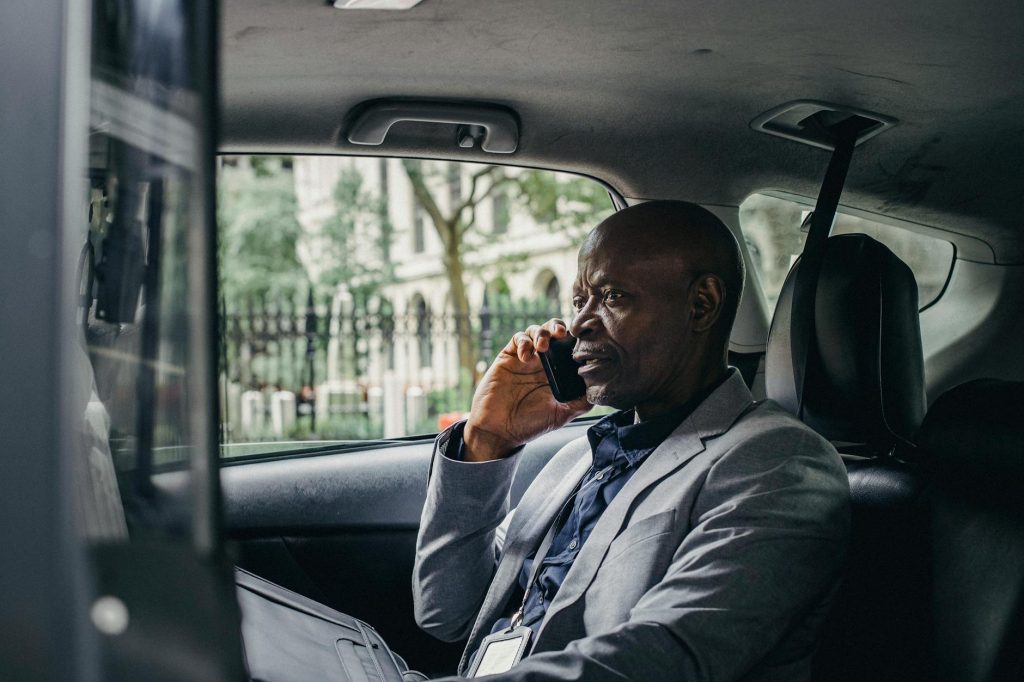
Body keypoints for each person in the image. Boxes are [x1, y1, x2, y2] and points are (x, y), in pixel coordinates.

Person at [413, 200, 850, 681]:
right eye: (581, 301)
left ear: (701, 304)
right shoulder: (581, 456)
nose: (580, 324)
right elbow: (447, 614)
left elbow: (661, 659)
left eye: (614, 297)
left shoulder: (779, 465)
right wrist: (486, 441)